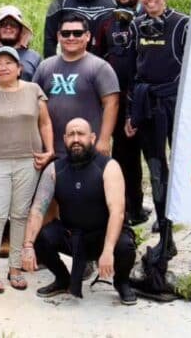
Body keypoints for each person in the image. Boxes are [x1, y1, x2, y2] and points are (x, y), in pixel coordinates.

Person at [125, 0, 191, 270]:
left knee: (187, 171)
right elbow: (133, 73)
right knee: (158, 173)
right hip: (148, 106)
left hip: (178, 106)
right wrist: (130, 113)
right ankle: (166, 237)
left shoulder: (183, 24)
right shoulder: (136, 26)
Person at [21, 118, 137, 305]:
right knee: (41, 237)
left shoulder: (108, 167)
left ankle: (122, 283)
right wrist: (27, 245)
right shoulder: (54, 169)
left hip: (103, 237)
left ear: (92, 138)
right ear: (64, 139)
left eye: (81, 134)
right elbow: (37, 209)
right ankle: (62, 279)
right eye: (71, 135)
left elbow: (118, 213)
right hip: (71, 237)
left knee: (125, 246)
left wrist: (108, 251)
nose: (76, 139)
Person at [0, 46, 54, 293]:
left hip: (28, 160)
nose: (3, 67)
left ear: (19, 68)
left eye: (9, 63)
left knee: (20, 215)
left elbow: (45, 122)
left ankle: (15, 267)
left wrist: (48, 151)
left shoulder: (33, 90)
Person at [93, 0, 148, 225]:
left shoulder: (148, 19)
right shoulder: (105, 22)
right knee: (116, 157)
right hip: (111, 100)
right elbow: (95, 57)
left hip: (141, 100)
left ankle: (137, 207)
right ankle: (119, 209)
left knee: (138, 157)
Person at [33, 13, 119, 158]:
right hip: (50, 149)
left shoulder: (100, 67)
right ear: (59, 36)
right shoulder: (45, 66)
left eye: (77, 33)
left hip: (87, 148)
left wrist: (104, 140)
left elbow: (112, 103)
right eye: (66, 34)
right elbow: (33, 101)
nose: (71, 38)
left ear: (87, 36)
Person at [0, 5, 42, 81]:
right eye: (3, 24)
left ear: (21, 30)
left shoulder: (35, 58)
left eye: (13, 24)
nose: (8, 27)